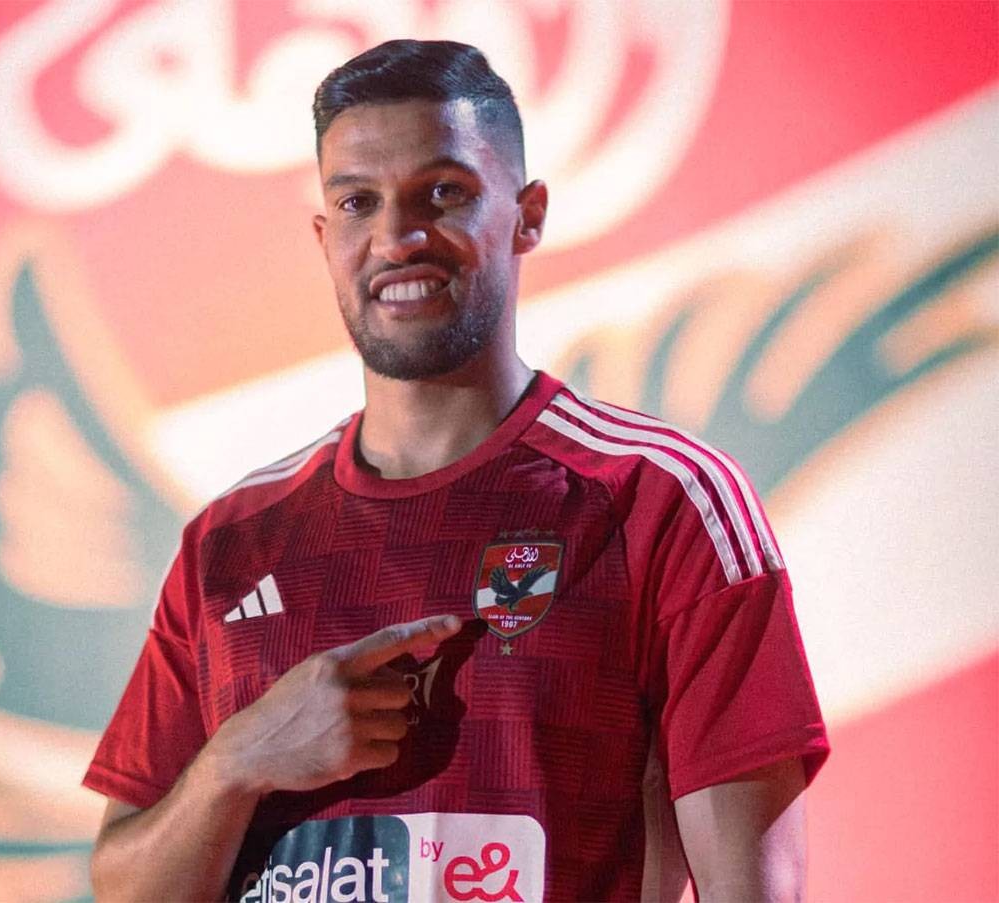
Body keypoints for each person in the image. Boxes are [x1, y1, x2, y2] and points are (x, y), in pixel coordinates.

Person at [83, 39, 829, 902]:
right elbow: (125, 888)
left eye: (443, 193)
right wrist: (235, 764)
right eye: (358, 202)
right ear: (325, 237)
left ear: (527, 214)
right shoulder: (230, 541)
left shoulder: (660, 501)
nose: (397, 237)